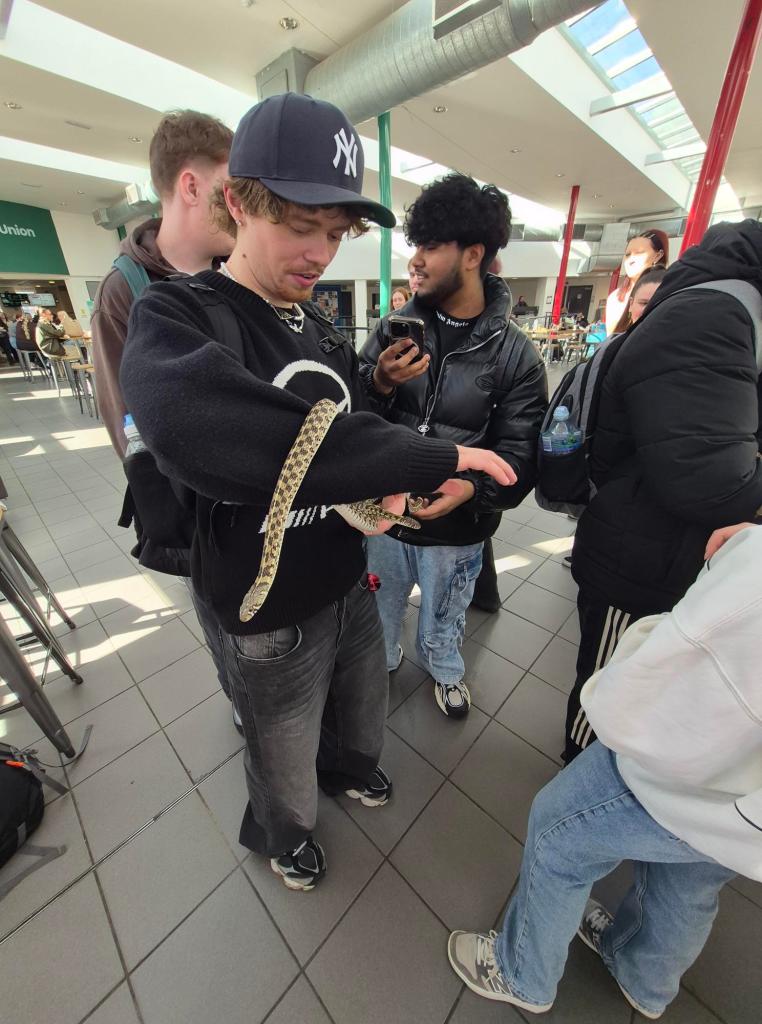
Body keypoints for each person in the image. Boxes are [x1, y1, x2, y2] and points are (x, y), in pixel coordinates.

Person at [121, 93, 513, 891]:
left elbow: (344, 423)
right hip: (265, 605)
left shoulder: (318, 324)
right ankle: (285, 832)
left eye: (334, 234)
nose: (319, 254)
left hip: (344, 574)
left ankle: (350, 768)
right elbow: (210, 426)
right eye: (301, 225)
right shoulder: (179, 315)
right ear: (238, 202)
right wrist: (423, 456)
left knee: (361, 704)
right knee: (281, 741)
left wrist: (379, 398)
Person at [449, 522, 761, 1019]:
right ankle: (644, 979)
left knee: (559, 833)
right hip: (747, 810)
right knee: (693, 877)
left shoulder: (754, 569)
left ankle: (522, 973)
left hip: (685, 773)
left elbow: (663, 659)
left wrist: (607, 699)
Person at [563, 219, 762, 763]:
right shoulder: (712, 314)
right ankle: (578, 782)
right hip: (639, 563)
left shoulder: (722, 307)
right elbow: (709, 481)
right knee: (605, 700)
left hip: (662, 552)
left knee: (640, 697)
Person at [360, 173, 547, 718]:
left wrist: (469, 489)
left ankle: (444, 669)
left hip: (458, 531)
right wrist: (379, 382)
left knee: (445, 613)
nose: (415, 261)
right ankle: (381, 661)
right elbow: (350, 418)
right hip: (385, 516)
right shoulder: (395, 329)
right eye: (415, 245)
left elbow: (521, 456)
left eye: (431, 246)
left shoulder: (515, 355)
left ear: (473, 254)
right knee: (380, 605)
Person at [92, 109, 234, 458]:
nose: (239, 206)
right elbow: (127, 426)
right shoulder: (124, 289)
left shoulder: (235, 274)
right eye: (231, 190)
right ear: (191, 187)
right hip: (184, 484)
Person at [605, 229, 668, 334]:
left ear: (658, 255)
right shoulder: (615, 298)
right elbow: (610, 339)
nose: (631, 260)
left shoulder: (668, 292)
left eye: (639, 253)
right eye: (627, 254)